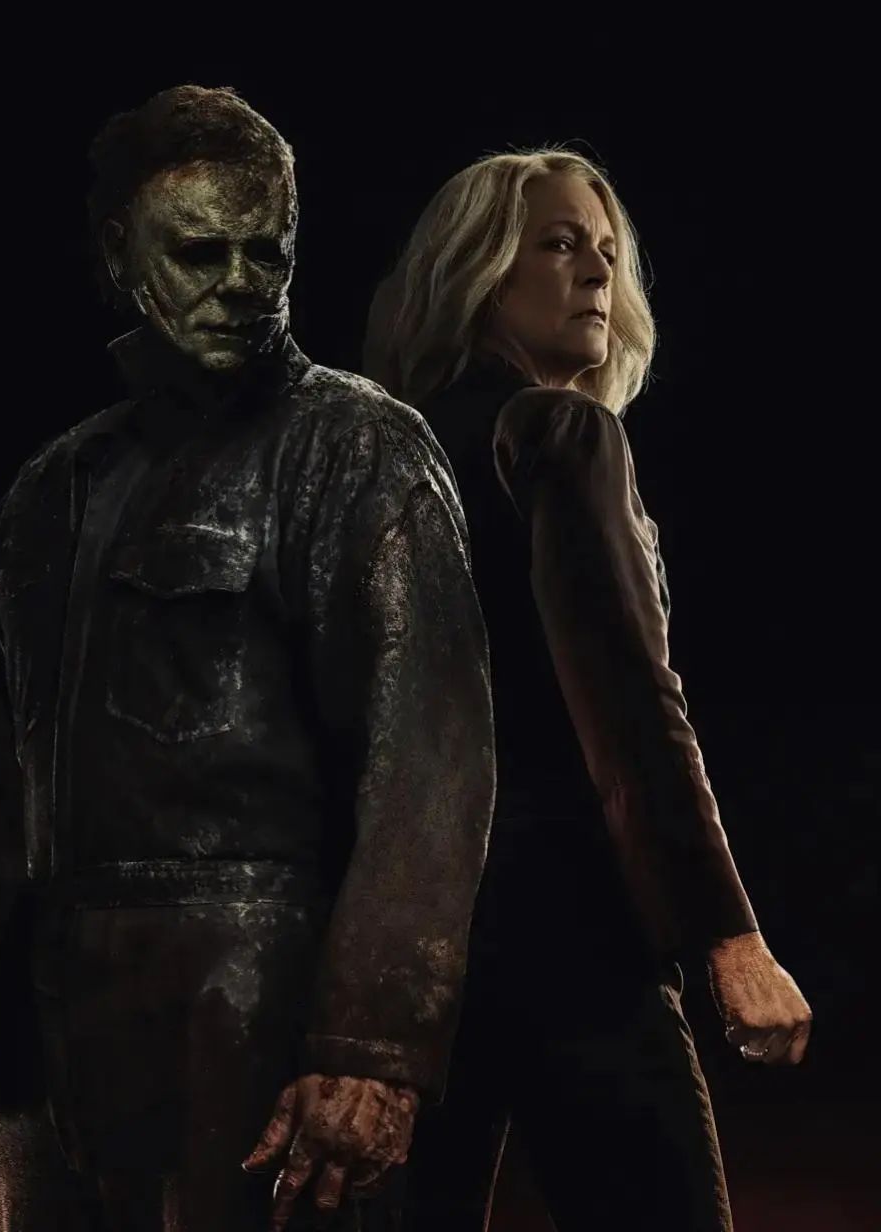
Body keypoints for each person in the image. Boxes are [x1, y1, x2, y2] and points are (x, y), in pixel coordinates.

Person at [0, 85, 495, 1232]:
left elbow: (429, 772)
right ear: (119, 254)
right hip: (49, 1043)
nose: (242, 282)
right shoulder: (56, 486)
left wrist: (371, 1045)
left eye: (268, 250)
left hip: (259, 1022)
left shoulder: (361, 451)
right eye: (200, 253)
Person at [363, 149, 812, 1231]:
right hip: (570, 929)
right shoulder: (561, 431)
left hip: (404, 941)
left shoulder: (376, 456)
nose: (598, 272)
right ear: (479, 272)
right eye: (560, 244)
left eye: (607, 251)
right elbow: (629, 703)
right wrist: (728, 936)